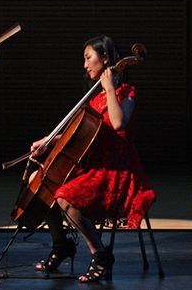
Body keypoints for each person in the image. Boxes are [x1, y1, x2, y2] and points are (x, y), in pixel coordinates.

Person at [29, 35, 155, 282]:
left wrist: (110, 88)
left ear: (105, 58)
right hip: (92, 164)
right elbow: (78, 135)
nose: (85, 65)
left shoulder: (126, 92)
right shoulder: (94, 97)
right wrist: (50, 140)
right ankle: (61, 245)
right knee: (40, 180)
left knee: (66, 197)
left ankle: (100, 255)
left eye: (88, 58)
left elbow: (118, 123)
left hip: (115, 170)